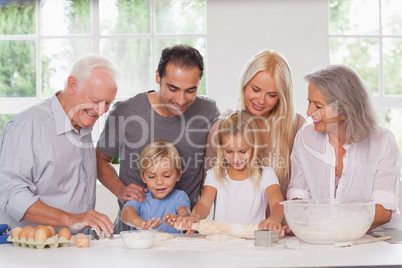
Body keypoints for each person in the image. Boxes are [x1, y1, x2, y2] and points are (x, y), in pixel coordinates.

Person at [96, 44, 220, 233]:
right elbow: (100, 159)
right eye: (173, 88)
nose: (180, 100)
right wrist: (120, 190)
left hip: (185, 237)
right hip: (133, 236)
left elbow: (216, 165)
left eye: (190, 90)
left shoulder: (208, 112)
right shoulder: (126, 112)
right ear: (157, 77)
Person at [0, 54, 120, 236]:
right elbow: (11, 195)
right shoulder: (29, 125)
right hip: (29, 253)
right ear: (72, 85)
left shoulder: (82, 122)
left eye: (108, 103)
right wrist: (71, 219)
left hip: (72, 249)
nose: (101, 111)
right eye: (96, 101)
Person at [287, 64, 402, 231]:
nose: (309, 111)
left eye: (318, 106)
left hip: (376, 242)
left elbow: (383, 212)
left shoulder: (382, 141)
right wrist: (299, 219)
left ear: (344, 111)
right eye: (309, 102)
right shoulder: (305, 137)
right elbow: (299, 194)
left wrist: (326, 223)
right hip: (322, 238)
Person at [205, 49, 305, 207]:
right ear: (244, 84)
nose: (261, 100)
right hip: (236, 225)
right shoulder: (222, 128)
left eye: (272, 95)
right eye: (255, 90)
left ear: (282, 96)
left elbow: (305, 186)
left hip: (283, 227)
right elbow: (209, 188)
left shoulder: (297, 126)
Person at [168, 111, 284, 234]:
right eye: (229, 151)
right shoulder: (215, 175)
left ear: (254, 147)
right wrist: (195, 217)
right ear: (221, 148)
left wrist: (274, 219)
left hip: (252, 243)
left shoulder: (266, 175)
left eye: (242, 151)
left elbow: (277, 202)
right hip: (220, 242)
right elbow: (204, 204)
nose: (236, 158)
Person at [121, 140, 190, 233]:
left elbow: (184, 211)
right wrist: (140, 223)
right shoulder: (140, 197)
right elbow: (126, 213)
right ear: (143, 177)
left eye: (166, 176)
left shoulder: (179, 196)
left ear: (178, 175)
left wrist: (180, 218)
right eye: (152, 177)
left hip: (172, 247)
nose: (159, 182)